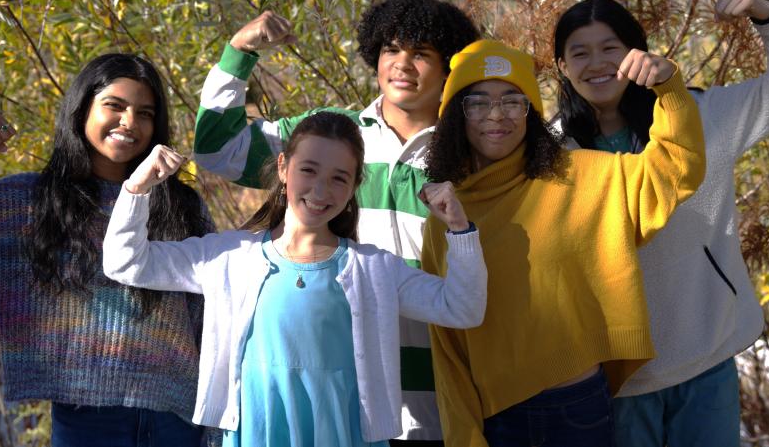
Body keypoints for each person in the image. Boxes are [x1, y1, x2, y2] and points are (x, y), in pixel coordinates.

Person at [192, 0, 479, 445]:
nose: (402, 64)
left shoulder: (474, 151)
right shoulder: (331, 138)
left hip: (442, 399)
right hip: (345, 407)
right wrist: (239, 52)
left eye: (421, 53)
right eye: (391, 49)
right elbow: (215, 147)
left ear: (449, 67)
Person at [102, 111, 488, 446]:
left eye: (339, 178)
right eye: (308, 170)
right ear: (284, 166)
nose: (320, 190)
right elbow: (126, 263)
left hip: (346, 433)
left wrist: (459, 228)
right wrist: (137, 188)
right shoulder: (229, 258)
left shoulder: (374, 269)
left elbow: (463, 308)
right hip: (258, 431)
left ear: (355, 185)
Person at [552, 0, 769, 446]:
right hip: (617, 378)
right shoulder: (548, 152)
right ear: (561, 67)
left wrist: (766, 15)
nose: (597, 64)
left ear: (639, 51)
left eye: (610, 48)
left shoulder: (701, 116)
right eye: (580, 53)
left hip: (705, 358)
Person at [420, 38, 707, 446]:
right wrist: (464, 436)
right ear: (456, 116)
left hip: (578, 411)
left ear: (532, 114)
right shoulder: (446, 215)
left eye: (513, 101)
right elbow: (447, 347)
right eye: (478, 102)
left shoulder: (586, 175)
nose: (496, 115)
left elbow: (677, 169)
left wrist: (669, 89)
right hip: (496, 418)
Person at [0, 54, 213, 446]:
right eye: (114, 106)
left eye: (145, 113)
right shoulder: (28, 202)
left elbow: (207, 316)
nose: (130, 122)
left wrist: (214, 423)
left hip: (175, 418)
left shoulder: (180, 205)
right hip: (86, 422)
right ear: (82, 110)